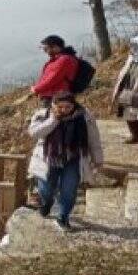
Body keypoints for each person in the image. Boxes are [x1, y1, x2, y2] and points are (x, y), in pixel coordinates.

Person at [28, 92, 104, 232]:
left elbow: (94, 138)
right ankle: (46, 203)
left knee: (69, 190)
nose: (64, 110)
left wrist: (98, 159)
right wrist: (53, 120)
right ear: (53, 105)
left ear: (73, 106)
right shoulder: (43, 115)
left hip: (73, 158)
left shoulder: (84, 117)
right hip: (48, 159)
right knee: (46, 189)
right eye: (60, 107)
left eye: (67, 107)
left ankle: (63, 217)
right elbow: (34, 133)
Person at [31, 35, 80, 104]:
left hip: (56, 97)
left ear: (55, 47)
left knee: (53, 114)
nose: (44, 51)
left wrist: (36, 89)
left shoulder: (64, 60)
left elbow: (53, 79)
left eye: (46, 48)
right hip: (51, 95)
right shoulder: (57, 59)